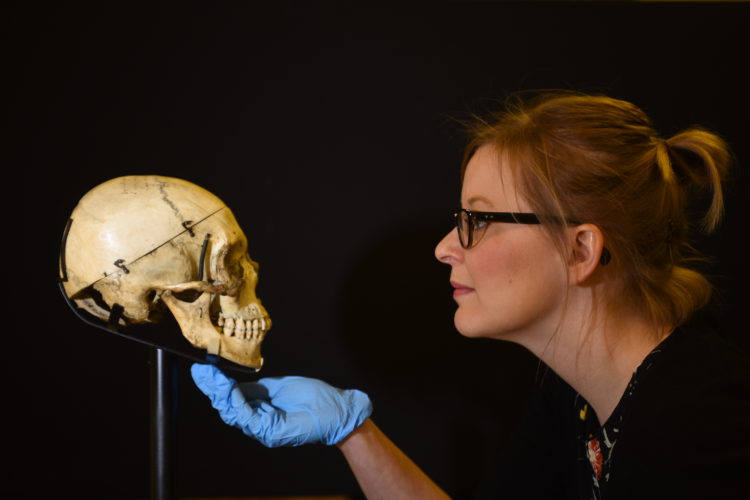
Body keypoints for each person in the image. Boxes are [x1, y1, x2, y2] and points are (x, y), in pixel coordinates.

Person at [190, 92, 750, 499]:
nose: (443, 248)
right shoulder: (572, 393)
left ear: (581, 250)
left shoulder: (702, 425)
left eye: (478, 220)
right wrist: (353, 433)